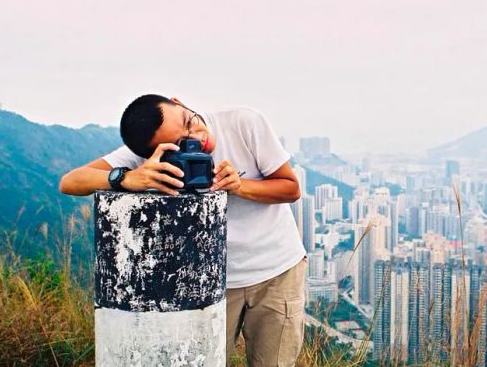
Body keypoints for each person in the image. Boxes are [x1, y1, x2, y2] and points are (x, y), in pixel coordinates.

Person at [59, 94, 307, 366]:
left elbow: (291, 188)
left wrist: (239, 186)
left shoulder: (243, 123)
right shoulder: (147, 157)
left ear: (180, 102)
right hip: (211, 284)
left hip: (277, 272)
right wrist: (127, 177)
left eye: (190, 121)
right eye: (179, 144)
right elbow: (70, 182)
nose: (196, 137)